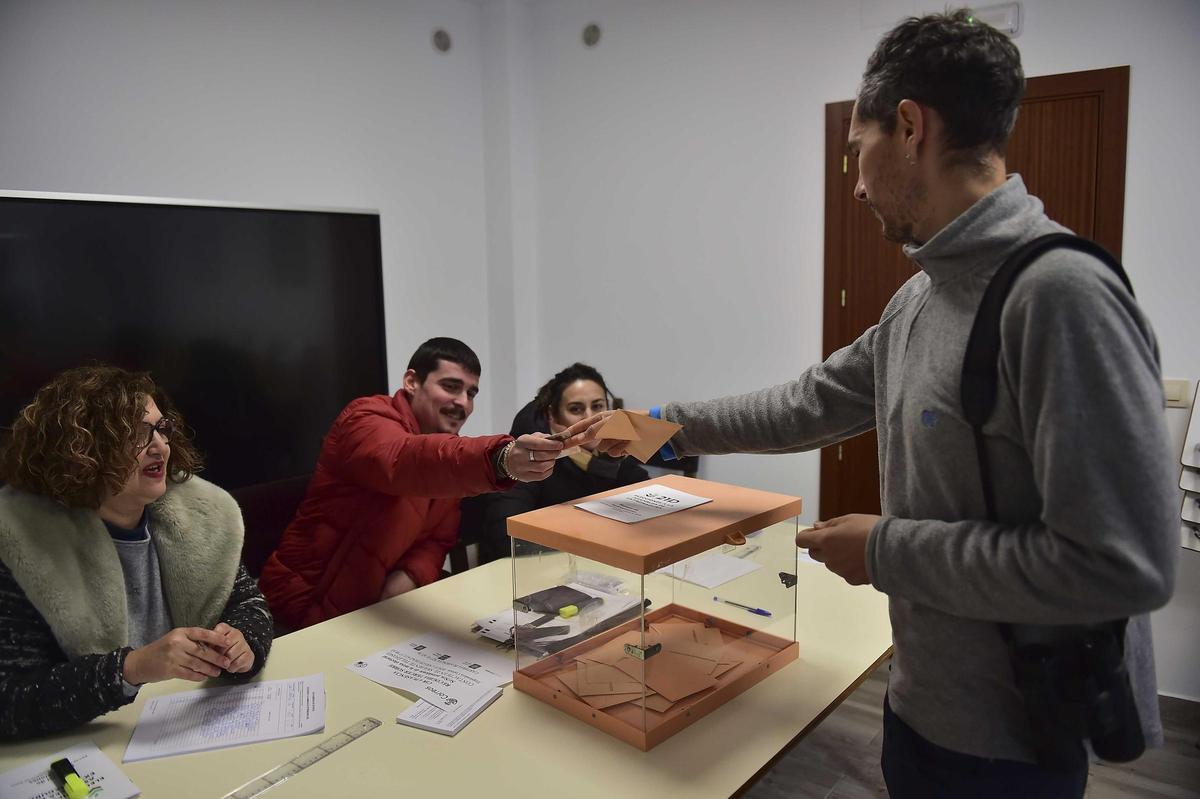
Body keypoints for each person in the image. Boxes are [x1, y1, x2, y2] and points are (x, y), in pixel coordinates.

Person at [573, 11, 1177, 797]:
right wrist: (659, 423)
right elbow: (811, 402)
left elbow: (1122, 565)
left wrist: (885, 550)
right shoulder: (922, 297)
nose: (854, 183)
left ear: (910, 127)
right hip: (919, 710)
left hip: (1010, 752)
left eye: (857, 153)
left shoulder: (1063, 298)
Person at [0, 365, 273, 739]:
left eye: (161, 429)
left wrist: (243, 642)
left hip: (189, 725)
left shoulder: (201, 515)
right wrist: (131, 668)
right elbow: (11, 700)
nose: (160, 446)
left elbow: (247, 602)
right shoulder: (20, 542)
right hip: (91, 746)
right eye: (134, 435)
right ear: (79, 451)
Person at [259, 337, 565, 630]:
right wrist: (500, 458)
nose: (463, 403)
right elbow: (404, 462)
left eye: (471, 394)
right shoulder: (364, 418)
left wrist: (409, 576)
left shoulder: (448, 457)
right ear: (411, 382)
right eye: (451, 386)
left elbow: (437, 539)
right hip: (299, 611)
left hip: (374, 613)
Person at [476, 363, 648, 562]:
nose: (591, 417)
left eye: (598, 406)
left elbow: (647, 500)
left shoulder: (609, 456)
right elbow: (505, 537)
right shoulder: (528, 459)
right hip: (534, 573)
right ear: (552, 416)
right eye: (576, 409)